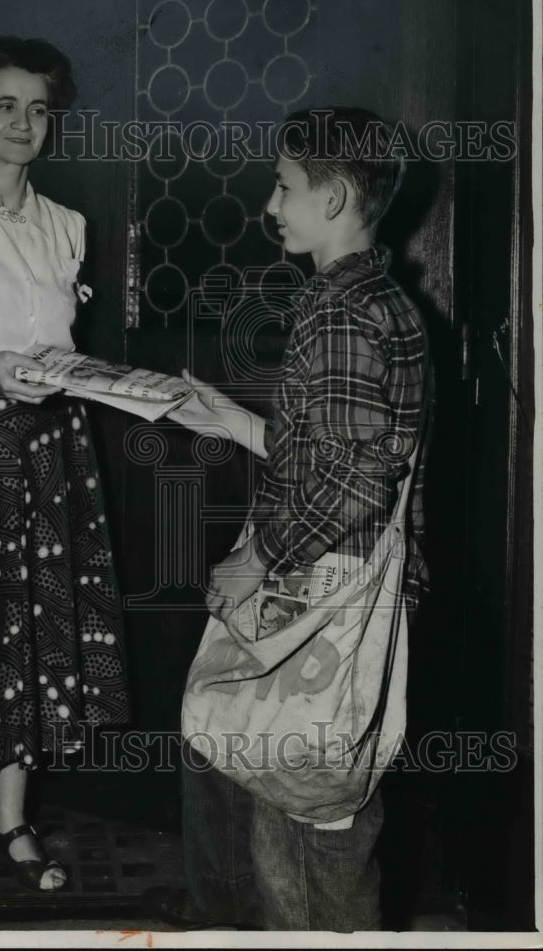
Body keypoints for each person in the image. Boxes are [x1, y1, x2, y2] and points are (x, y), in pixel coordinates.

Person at [144, 107, 430, 930]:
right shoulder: (380, 300)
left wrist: (259, 554)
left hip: (319, 584)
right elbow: (340, 452)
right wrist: (232, 420)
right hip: (357, 581)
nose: (270, 204)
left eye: (283, 186)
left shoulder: (335, 312)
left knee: (308, 813)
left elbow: (349, 478)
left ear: (334, 195)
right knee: (302, 785)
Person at [0, 36, 130, 891]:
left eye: (38, 108)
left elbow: (65, 347)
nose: (22, 122)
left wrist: (101, 379)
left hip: (54, 444)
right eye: (4, 105)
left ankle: (8, 811)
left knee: (45, 629)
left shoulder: (68, 226)